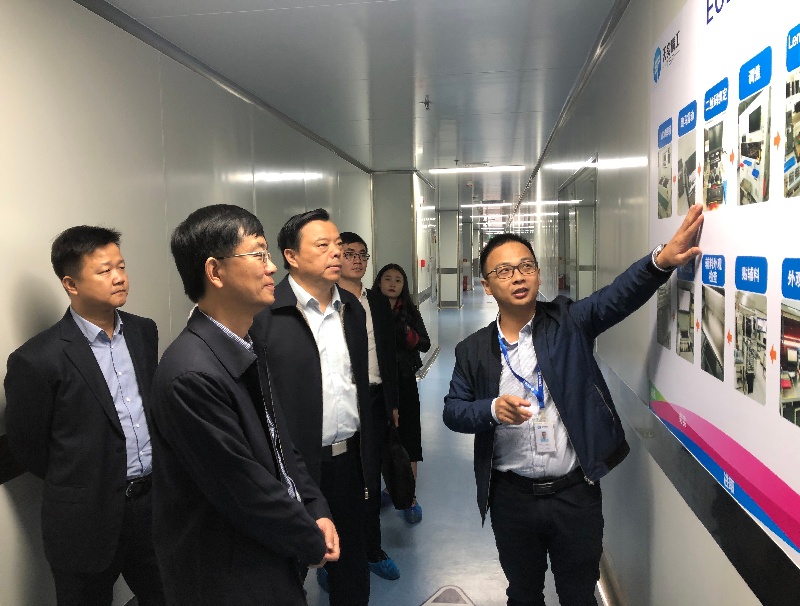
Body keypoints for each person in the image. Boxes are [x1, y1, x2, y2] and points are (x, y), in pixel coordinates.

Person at [443, 204, 704, 606]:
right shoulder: (472, 350)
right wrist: (491, 410)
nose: (518, 277)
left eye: (526, 266)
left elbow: (616, 297)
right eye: (504, 271)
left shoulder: (568, 321)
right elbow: (453, 410)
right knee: (523, 594)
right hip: (512, 499)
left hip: (574, 493)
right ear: (487, 285)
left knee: (579, 594)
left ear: (538, 273)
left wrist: (661, 261)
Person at [149, 204, 339, 605]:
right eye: (258, 254)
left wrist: (315, 506)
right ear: (215, 271)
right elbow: (244, 489)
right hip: (228, 575)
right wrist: (308, 538)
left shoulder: (247, 344)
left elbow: (281, 444)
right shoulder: (191, 374)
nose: (271, 267)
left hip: (267, 554)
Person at [4, 226, 165, 606]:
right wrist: (83, 481)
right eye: (104, 270)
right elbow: (30, 448)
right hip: (83, 520)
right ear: (71, 284)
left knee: (167, 594)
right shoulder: (37, 359)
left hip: (151, 507)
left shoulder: (143, 331)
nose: (119, 277)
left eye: (121, 266)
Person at [252, 209, 381, 606]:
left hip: (349, 462)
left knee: (351, 567)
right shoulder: (266, 313)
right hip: (293, 469)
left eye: (338, 244)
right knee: (285, 570)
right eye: (323, 245)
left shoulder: (351, 308)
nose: (336, 253)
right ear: (291, 256)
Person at [337, 231, 401, 581]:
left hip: (375, 399)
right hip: (341, 401)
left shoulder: (376, 301)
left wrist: (392, 402)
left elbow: (389, 355)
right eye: (350, 253)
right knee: (339, 480)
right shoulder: (327, 302)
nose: (358, 260)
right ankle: (333, 558)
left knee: (371, 478)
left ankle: (372, 549)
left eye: (362, 254)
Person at [373, 263, 430, 524]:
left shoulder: (408, 311)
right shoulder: (369, 310)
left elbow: (424, 343)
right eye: (388, 279)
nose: (393, 284)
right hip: (378, 384)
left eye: (398, 280)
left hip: (404, 382)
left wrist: (404, 329)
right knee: (380, 439)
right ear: (379, 282)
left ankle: (409, 498)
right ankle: (388, 489)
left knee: (408, 439)